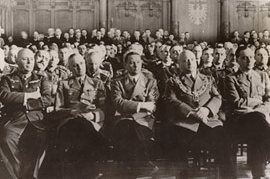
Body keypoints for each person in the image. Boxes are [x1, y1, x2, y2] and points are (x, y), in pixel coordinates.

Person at [165, 50, 235, 178]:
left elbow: (217, 97)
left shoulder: (208, 79)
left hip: (208, 121)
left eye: (191, 59)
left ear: (196, 61)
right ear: (179, 64)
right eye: (185, 60)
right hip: (185, 123)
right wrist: (191, 112)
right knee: (177, 145)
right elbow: (171, 100)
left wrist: (207, 109)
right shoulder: (173, 82)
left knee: (225, 142)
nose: (189, 63)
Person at [0, 48, 52, 179]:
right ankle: (18, 175)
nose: (29, 62)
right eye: (25, 59)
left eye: (32, 59)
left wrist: (26, 103)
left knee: (40, 139)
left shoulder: (41, 78)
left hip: (35, 120)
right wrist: (29, 96)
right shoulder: (7, 79)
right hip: (14, 120)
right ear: (17, 61)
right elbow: (4, 95)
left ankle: (30, 176)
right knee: (5, 139)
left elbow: (47, 99)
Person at [54, 53, 107, 178]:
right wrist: (72, 112)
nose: (80, 67)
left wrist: (93, 116)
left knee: (84, 128)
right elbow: (58, 109)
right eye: (75, 65)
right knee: (80, 126)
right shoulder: (64, 84)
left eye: (82, 63)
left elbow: (104, 108)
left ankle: (81, 171)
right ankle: (90, 171)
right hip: (69, 122)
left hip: (91, 121)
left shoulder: (97, 83)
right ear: (70, 68)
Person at [111, 50, 159, 176]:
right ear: (125, 65)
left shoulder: (150, 81)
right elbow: (118, 103)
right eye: (131, 63)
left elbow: (152, 105)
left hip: (144, 119)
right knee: (128, 128)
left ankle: (132, 169)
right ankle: (143, 165)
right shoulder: (117, 82)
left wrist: (131, 106)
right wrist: (141, 105)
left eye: (138, 62)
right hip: (122, 119)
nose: (136, 66)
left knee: (131, 131)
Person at [225, 46, 270, 179]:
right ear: (238, 60)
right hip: (240, 120)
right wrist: (257, 102)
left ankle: (257, 174)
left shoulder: (262, 76)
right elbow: (236, 102)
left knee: (258, 129)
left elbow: (268, 100)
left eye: (250, 57)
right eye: (244, 58)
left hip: (260, 118)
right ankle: (258, 173)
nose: (249, 60)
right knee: (259, 126)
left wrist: (257, 109)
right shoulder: (231, 78)